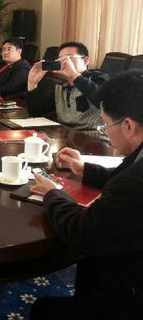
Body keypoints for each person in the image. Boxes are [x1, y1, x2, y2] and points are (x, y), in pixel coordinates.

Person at [31, 71, 143, 320]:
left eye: (105, 124)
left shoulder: (134, 183)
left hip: (126, 295)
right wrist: (85, 169)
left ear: (128, 125)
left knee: (42, 311)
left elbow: (82, 233)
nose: (105, 132)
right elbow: (123, 176)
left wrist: (54, 194)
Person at [26, 41, 109, 130]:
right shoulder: (61, 87)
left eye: (69, 58)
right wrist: (32, 83)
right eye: (60, 59)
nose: (64, 62)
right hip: (65, 134)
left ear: (85, 61)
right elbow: (35, 112)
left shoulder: (98, 78)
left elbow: (104, 102)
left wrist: (74, 76)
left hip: (93, 135)